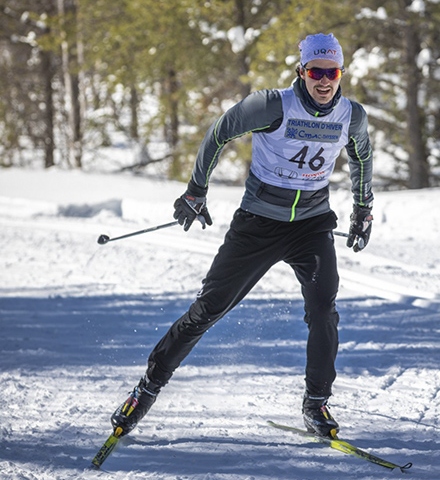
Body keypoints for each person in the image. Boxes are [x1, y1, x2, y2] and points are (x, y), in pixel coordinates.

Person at [110, 32, 374, 440]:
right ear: (301, 72)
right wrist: (196, 190)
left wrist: (363, 209)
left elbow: (361, 156)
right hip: (258, 224)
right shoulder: (271, 105)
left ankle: (316, 403)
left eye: (333, 73)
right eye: (316, 72)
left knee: (324, 309)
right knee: (208, 309)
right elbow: (219, 133)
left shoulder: (351, 115)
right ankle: (146, 390)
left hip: (312, 224)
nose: (325, 81)